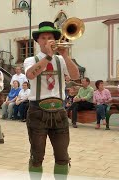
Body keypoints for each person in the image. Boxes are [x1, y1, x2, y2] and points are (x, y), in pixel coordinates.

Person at [23, 21, 80, 178]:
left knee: (62, 156)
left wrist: (66, 55)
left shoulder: (61, 60)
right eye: (43, 38)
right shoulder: (30, 60)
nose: (47, 40)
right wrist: (48, 56)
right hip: (37, 111)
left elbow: (76, 76)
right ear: (38, 41)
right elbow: (31, 75)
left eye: (50, 37)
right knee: (37, 156)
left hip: (59, 111)